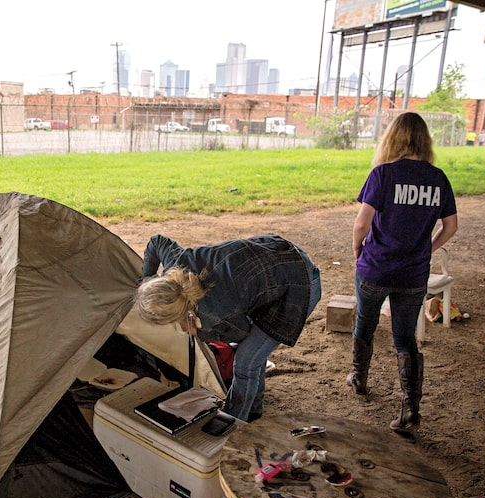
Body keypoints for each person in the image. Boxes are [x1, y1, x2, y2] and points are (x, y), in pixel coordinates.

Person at [347, 111, 458, 434]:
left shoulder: (383, 174)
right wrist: (427, 249)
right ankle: (410, 408)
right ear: (425, 140)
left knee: (365, 324)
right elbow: (451, 226)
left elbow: (361, 224)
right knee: (405, 338)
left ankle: (359, 378)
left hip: (376, 268)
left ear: (392, 138)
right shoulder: (438, 179)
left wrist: (358, 249)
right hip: (413, 274)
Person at [135, 234, 321, 422]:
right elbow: (156, 241)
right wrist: (145, 277)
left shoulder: (216, 311)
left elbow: (243, 336)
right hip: (275, 252)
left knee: (246, 361)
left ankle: (233, 421)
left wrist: (199, 332)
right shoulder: (176, 264)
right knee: (254, 356)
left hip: (298, 283)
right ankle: (253, 410)